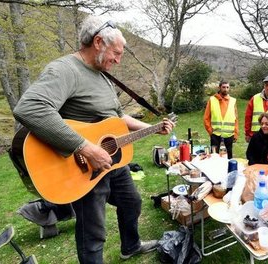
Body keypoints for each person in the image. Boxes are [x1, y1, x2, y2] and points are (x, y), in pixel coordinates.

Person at [13, 16, 175, 263]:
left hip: (112, 162)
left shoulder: (102, 76)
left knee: (132, 202)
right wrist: (86, 148)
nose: (118, 60)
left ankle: (130, 246)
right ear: (98, 42)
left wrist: (153, 127)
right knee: (93, 231)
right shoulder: (65, 69)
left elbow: (118, 118)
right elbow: (30, 108)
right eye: (116, 53)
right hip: (83, 166)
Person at [203, 80, 239, 159]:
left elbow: (235, 118)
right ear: (219, 87)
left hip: (229, 134)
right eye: (223, 87)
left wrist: (236, 133)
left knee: (229, 156)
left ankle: (229, 171)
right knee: (214, 156)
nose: (225, 89)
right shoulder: (212, 100)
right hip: (215, 133)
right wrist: (210, 131)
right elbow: (206, 117)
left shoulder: (233, 101)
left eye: (227, 87)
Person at [244, 75, 268, 142]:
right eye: (266, 85)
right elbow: (248, 117)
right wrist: (248, 133)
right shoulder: (254, 98)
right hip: (255, 135)